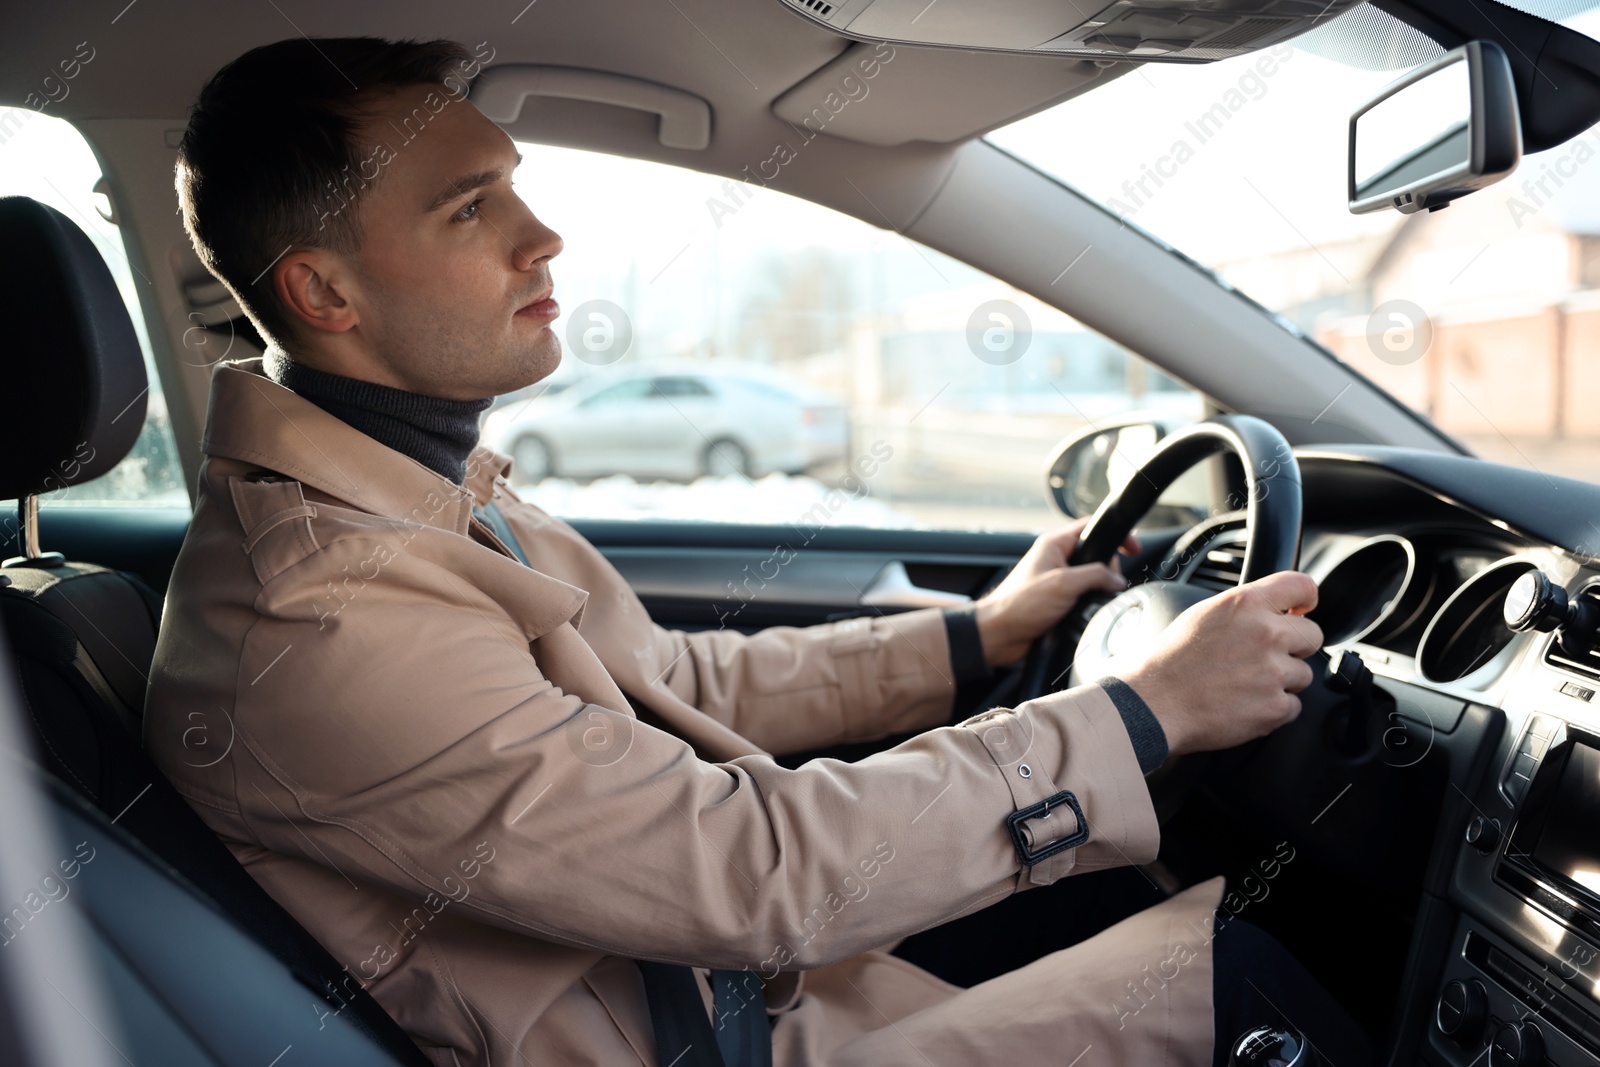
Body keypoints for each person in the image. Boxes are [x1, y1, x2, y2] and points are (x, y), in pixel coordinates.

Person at [146, 36, 1373, 1067]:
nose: (544, 236)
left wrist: (974, 636)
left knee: (1118, 890)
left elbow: (676, 687)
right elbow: (746, 870)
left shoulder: (422, 497)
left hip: (744, 980)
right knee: (1238, 973)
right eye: (472, 207)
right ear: (323, 292)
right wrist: (1146, 712)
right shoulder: (324, 614)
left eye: (513, 186)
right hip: (726, 1028)